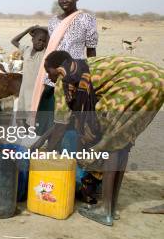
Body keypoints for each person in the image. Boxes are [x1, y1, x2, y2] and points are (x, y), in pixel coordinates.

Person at [38, 51, 164, 226]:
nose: (49, 77)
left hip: (134, 84)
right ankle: (111, 207)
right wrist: (39, 142)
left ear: (58, 70)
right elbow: (63, 121)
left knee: (109, 143)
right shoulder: (82, 68)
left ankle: (105, 210)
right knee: (122, 142)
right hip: (156, 78)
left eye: (49, 72)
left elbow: (60, 125)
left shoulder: (63, 80)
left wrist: (46, 154)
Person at [30, 0, 98, 133]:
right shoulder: (53, 21)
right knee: (46, 122)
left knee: (69, 124)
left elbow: (91, 51)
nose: (64, 1)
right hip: (52, 77)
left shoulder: (87, 19)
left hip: (74, 77)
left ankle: (66, 153)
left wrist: (90, 76)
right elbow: (50, 49)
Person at [10, 25, 49, 116]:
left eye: (44, 41)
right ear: (32, 39)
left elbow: (51, 41)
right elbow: (14, 41)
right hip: (24, 90)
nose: (41, 43)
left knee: (32, 118)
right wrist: (28, 30)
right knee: (22, 117)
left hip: (35, 91)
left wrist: (44, 30)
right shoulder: (26, 49)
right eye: (39, 40)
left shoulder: (44, 54)